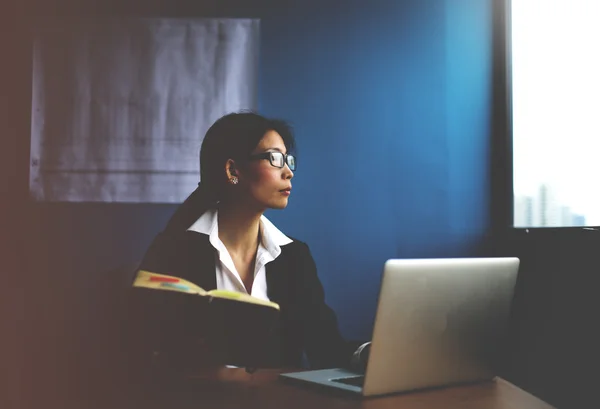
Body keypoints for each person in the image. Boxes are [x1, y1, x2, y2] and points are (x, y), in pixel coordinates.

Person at [127, 112, 365, 377]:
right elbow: (142, 351)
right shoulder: (174, 250)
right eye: (274, 158)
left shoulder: (294, 257)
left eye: (288, 160)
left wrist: (367, 353)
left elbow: (326, 348)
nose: (288, 172)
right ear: (233, 170)